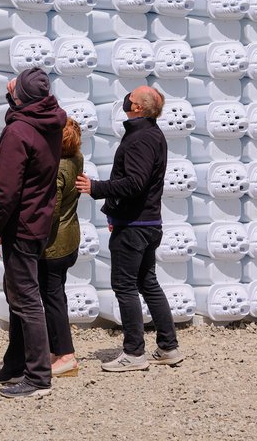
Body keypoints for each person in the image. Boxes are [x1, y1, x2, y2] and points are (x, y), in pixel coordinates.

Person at [76, 86, 183, 370]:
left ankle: (134, 353)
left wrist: (96, 187)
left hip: (135, 225)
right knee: (148, 283)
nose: (126, 99)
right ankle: (168, 347)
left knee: (125, 286)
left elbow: (135, 183)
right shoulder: (151, 134)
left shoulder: (140, 139)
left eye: (131, 97)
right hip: (148, 222)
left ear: (137, 108)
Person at [0, 66, 67, 400]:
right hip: (40, 220)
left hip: (21, 224)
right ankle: (16, 363)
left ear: (20, 97)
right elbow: (24, 110)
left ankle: (38, 376)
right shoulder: (49, 121)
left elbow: (6, 190)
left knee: (27, 299)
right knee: (17, 293)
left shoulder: (18, 132)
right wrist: (17, 97)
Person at [39, 116, 83, 378]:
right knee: (57, 296)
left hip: (55, 244)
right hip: (70, 238)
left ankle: (66, 355)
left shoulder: (57, 169)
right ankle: (57, 351)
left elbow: (50, 212)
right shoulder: (77, 159)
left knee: (53, 298)